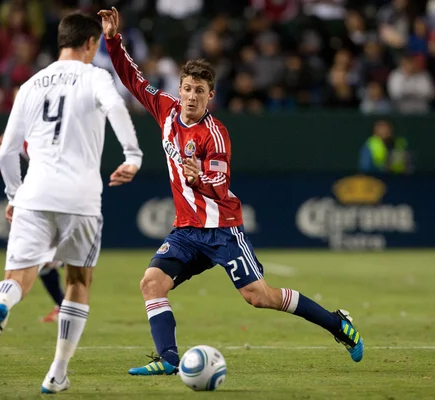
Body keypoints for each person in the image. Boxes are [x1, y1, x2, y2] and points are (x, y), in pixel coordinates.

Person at [98, 7, 364, 376]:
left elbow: (220, 186)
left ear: (211, 96)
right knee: (151, 282)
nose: (191, 97)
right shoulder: (166, 111)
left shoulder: (216, 134)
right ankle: (169, 359)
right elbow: (132, 77)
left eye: (200, 92)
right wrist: (112, 39)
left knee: (260, 297)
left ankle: (337, 324)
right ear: (180, 89)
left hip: (222, 228)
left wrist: (198, 179)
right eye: (187, 89)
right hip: (186, 231)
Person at [0, 12, 143, 394]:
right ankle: (57, 372)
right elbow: (117, 108)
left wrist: (15, 196)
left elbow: (6, 152)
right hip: (81, 198)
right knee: (78, 281)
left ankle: (0, 306)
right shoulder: (95, 76)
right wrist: (132, 154)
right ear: (89, 43)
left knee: (17, 278)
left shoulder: (30, 84)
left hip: (34, 193)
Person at [0, 135, 65, 323]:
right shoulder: (33, 130)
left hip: (46, 197)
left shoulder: (30, 130)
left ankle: (3, 302)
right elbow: (1, 154)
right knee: (48, 261)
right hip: (66, 194)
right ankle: (63, 307)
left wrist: (14, 197)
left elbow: (3, 153)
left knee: (32, 265)